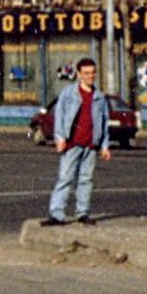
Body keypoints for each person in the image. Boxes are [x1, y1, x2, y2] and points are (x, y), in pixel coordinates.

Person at [44, 57, 112, 226]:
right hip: (72, 143)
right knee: (65, 178)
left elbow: (104, 122)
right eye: (86, 73)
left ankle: (82, 213)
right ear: (79, 74)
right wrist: (60, 138)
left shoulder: (99, 97)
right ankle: (57, 214)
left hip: (91, 145)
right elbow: (59, 116)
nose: (90, 76)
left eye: (93, 73)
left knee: (86, 180)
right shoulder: (69, 93)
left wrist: (104, 146)